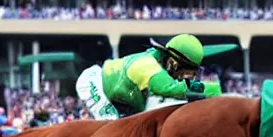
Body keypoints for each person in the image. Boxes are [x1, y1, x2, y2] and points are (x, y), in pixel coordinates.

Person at [76, 34, 207, 120]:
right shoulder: (147, 64)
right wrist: (199, 87)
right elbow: (167, 88)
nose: (181, 78)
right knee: (116, 134)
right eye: (182, 72)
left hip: (118, 97)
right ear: (173, 60)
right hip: (95, 85)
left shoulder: (159, 60)